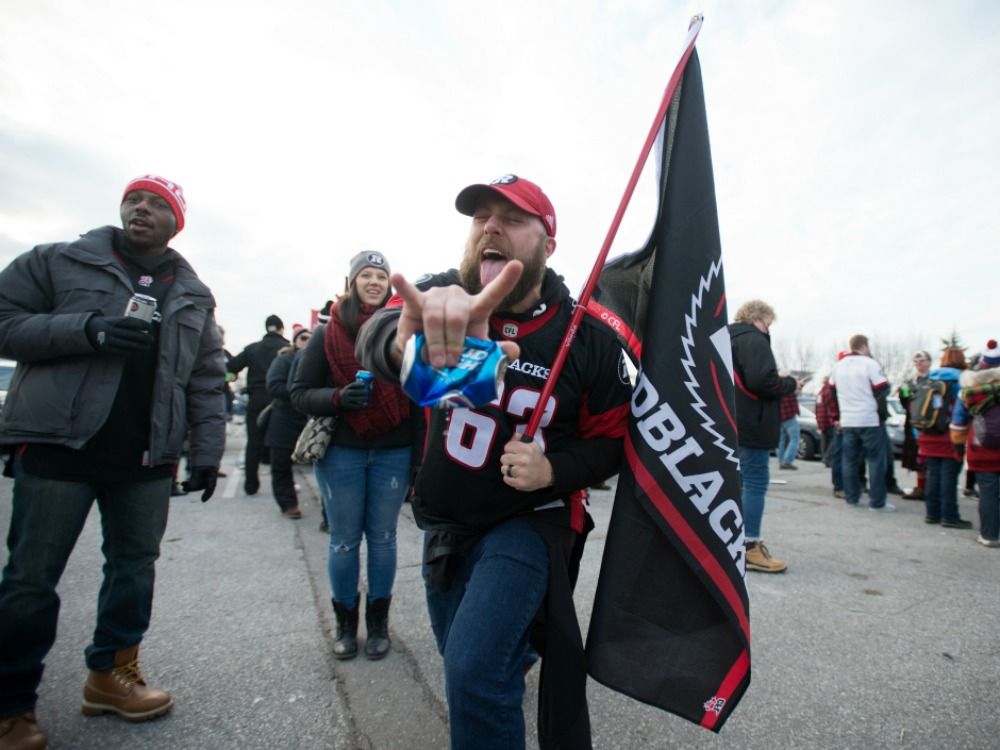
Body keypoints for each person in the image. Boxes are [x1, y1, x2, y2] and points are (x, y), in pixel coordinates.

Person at [355, 174, 630, 749]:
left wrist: (554, 470)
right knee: (469, 660)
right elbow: (379, 333)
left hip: (531, 520)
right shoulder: (443, 296)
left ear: (547, 242)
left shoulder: (588, 335)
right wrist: (403, 344)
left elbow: (612, 441)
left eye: (512, 217)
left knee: (473, 671)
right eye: (481, 215)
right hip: (447, 522)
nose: (490, 227)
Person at [0, 175, 225, 749]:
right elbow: (5, 324)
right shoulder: (57, 262)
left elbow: (204, 378)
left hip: (147, 455)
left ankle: (110, 674)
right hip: (58, 446)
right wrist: (89, 330)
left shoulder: (194, 292)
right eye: (135, 199)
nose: (142, 208)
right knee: (30, 580)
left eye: (157, 203)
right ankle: (11, 704)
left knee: (133, 569)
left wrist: (204, 453)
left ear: (178, 221)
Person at [291, 251, 421, 662]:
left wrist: (419, 461)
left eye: (380, 276)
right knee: (345, 542)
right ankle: (346, 625)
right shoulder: (327, 333)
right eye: (365, 275)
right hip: (342, 453)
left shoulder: (406, 332)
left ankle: (379, 624)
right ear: (351, 282)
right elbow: (298, 392)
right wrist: (337, 398)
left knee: (383, 539)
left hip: (393, 451)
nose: (373, 282)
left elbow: (421, 399)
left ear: (388, 285)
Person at [729, 300, 799, 573]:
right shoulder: (754, 340)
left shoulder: (725, 339)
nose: (769, 329)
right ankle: (750, 546)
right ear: (758, 318)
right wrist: (790, 383)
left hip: (731, 421)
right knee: (756, 482)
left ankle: (733, 543)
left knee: (739, 483)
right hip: (753, 423)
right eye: (768, 324)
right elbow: (762, 381)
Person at [830, 334, 893, 512]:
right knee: (875, 460)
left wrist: (838, 416)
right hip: (869, 419)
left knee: (849, 459)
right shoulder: (869, 364)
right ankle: (877, 502)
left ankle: (852, 497)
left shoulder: (838, 367)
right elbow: (882, 389)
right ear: (864, 346)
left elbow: (832, 393)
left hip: (848, 419)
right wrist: (881, 413)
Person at [227, 314, 287, 494]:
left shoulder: (253, 349)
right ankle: (283, 490)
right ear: (281, 329)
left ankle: (251, 485)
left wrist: (234, 378)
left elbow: (230, 367)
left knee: (254, 442)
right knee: (280, 444)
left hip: (256, 398)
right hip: (279, 400)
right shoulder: (287, 348)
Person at [951, 340, 1000, 546]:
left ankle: (989, 536)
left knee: (988, 494)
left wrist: (958, 446)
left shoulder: (971, 390)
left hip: (981, 448)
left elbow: (958, 422)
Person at [917, 347, 970, 528]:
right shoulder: (962, 380)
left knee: (933, 474)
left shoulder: (929, 378)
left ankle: (932, 513)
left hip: (927, 433)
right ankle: (950, 516)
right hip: (949, 435)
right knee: (949, 476)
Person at [264, 325, 311, 519]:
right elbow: (273, 385)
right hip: (285, 419)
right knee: (281, 465)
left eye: (310, 338)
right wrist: (299, 394)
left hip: (309, 419)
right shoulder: (284, 360)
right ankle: (288, 504)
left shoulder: (317, 358)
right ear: (295, 341)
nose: (307, 342)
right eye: (303, 338)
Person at [899, 350, 932, 499]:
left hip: (930, 424)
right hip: (913, 425)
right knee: (917, 459)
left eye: (922, 361)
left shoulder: (934, 381)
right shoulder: (910, 382)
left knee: (930, 458)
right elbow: (905, 401)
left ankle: (931, 488)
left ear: (929, 362)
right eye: (916, 362)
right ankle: (921, 487)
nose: (919, 364)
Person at [777, 389, 801, 469]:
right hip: (789, 416)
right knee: (795, 438)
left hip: (779, 417)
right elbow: (796, 394)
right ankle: (787, 461)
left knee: (780, 441)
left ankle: (781, 461)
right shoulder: (789, 388)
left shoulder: (777, 387)